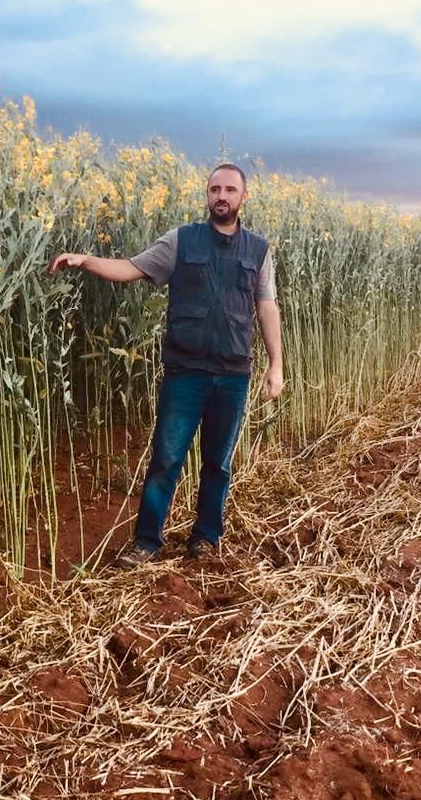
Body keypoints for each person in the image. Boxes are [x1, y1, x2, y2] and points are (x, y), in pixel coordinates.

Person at [47, 163, 283, 565]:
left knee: (217, 464)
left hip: (232, 374)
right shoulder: (181, 241)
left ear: (244, 196)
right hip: (185, 372)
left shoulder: (258, 250)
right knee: (166, 459)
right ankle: (147, 542)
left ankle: (205, 538)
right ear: (207, 195)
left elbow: (266, 306)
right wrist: (85, 260)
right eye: (214, 189)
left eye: (229, 189)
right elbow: (131, 268)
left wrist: (276, 364)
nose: (221, 196)